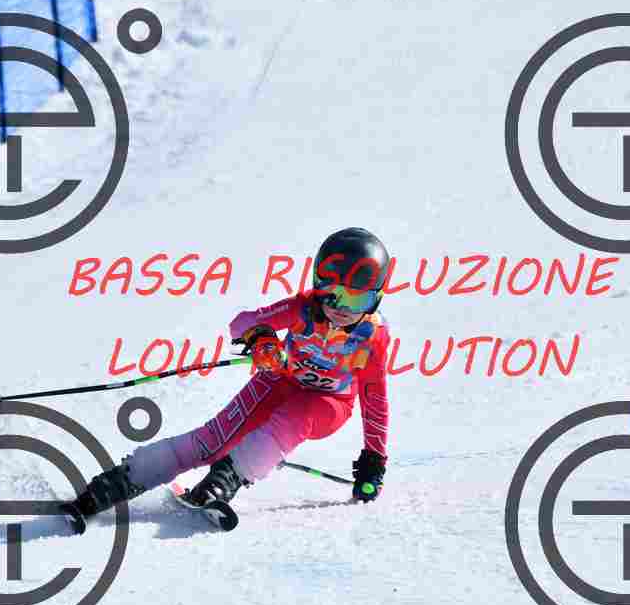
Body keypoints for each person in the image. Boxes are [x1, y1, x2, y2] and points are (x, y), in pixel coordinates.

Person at [63, 228, 393, 532]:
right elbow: (242, 322)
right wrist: (262, 340)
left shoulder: (372, 337)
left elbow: (374, 398)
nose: (342, 309)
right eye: (332, 294)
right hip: (281, 381)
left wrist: (373, 460)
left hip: (329, 404)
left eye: (358, 300)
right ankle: (113, 485)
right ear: (317, 286)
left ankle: (226, 478)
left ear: (376, 299)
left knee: (297, 417)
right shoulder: (303, 309)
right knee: (212, 440)